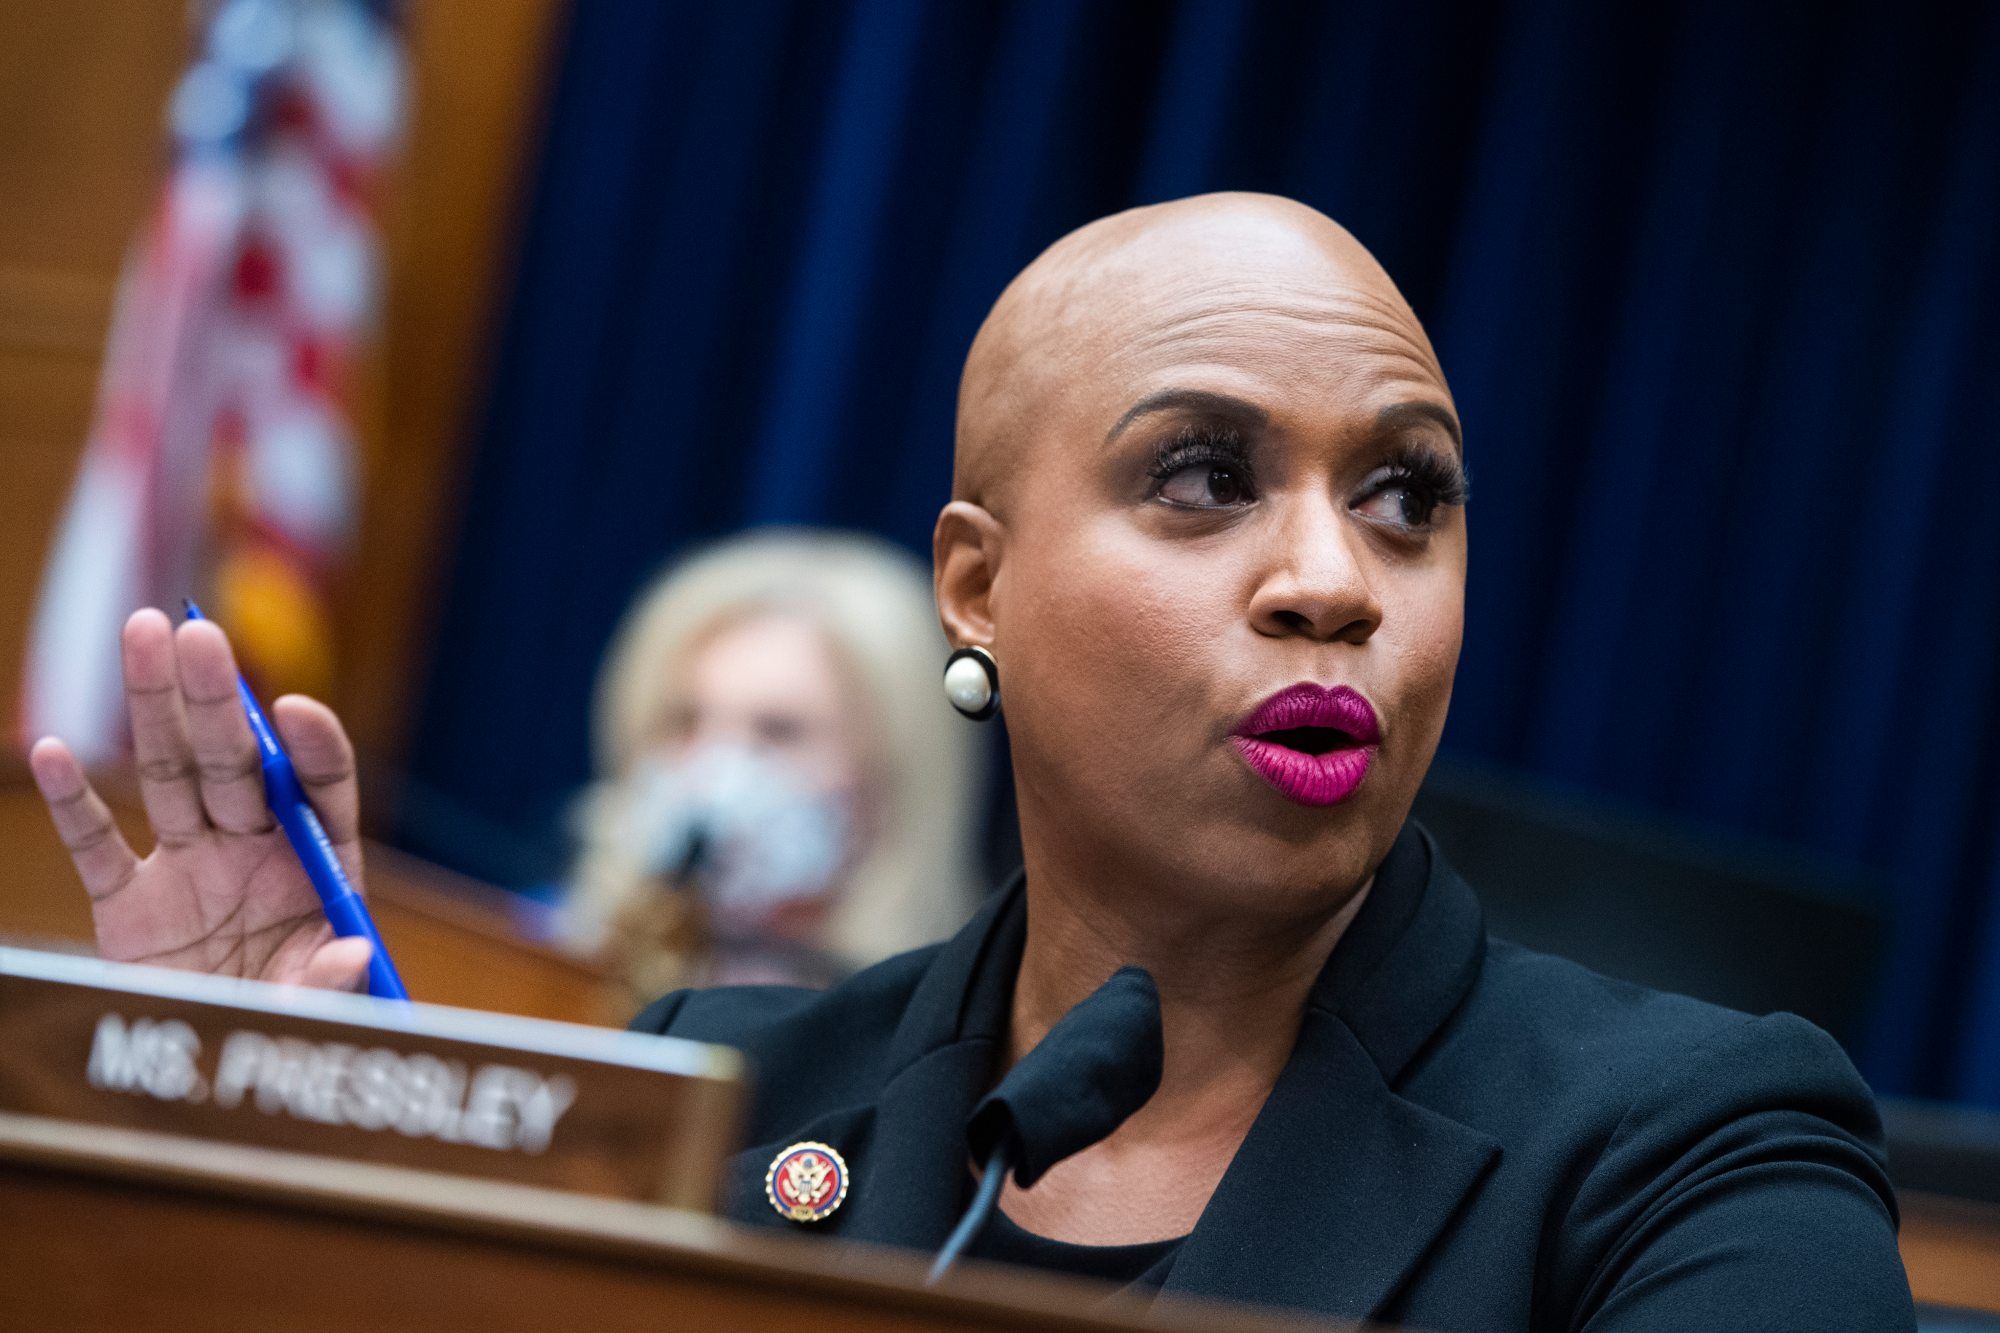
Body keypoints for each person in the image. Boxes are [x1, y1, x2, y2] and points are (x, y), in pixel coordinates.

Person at [26, 193, 1914, 1329]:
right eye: (1205, 477)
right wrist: (239, 1148)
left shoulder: (1693, 1153)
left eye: (1407, 497)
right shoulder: (718, 1088)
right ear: (979, 586)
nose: (1336, 581)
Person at [558, 529, 984, 1000]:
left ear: (898, 771)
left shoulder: (952, 1022)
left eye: (779, 731)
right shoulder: (532, 960)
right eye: (684, 722)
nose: (708, 773)